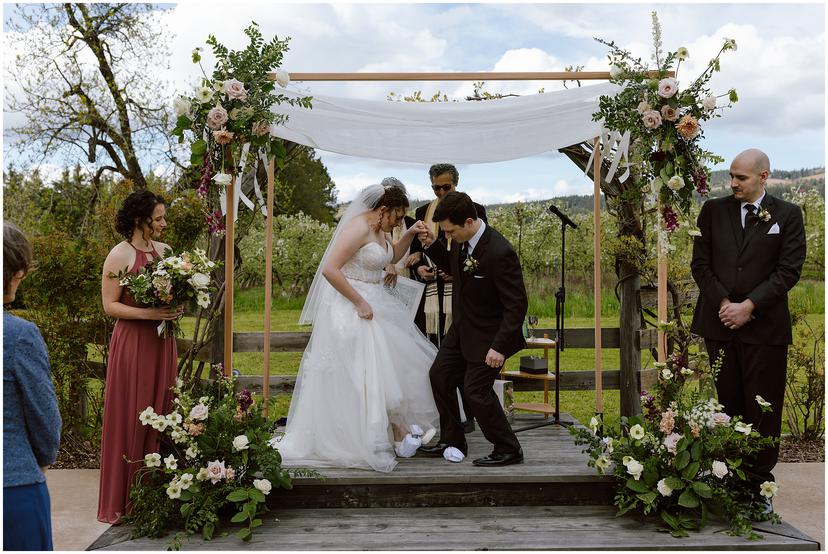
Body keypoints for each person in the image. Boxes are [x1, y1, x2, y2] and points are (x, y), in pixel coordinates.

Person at [276, 181, 439, 472]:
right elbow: (330, 269)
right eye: (396, 217)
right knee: (361, 371)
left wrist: (410, 234)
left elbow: (392, 257)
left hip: (377, 304)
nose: (398, 222)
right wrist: (359, 302)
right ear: (382, 209)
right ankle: (373, 434)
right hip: (350, 305)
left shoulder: (382, 229)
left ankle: (394, 430)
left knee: (385, 368)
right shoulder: (358, 226)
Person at [690, 148, 805, 507]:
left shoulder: (787, 215)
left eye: (741, 177)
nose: (733, 183)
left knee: (763, 408)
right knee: (728, 406)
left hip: (765, 329)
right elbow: (701, 265)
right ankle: (729, 480)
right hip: (720, 324)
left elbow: (788, 271)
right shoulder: (712, 211)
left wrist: (749, 306)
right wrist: (725, 304)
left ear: (763, 177)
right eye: (732, 176)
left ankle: (757, 489)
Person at [416, 191, 528, 466]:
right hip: (463, 327)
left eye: (451, 231)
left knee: (475, 390)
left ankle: (508, 448)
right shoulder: (460, 242)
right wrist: (433, 246)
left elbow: (517, 304)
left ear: (468, 221)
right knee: (439, 375)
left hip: (490, 335)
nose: (449, 236)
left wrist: (499, 347)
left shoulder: (500, 252)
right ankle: (452, 439)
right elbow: (456, 270)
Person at [98, 190, 182, 524]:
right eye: (158, 218)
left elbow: (174, 294)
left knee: (163, 409)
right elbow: (109, 305)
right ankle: (125, 503)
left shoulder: (167, 253)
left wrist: (178, 305)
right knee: (132, 414)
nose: (163, 224)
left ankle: (157, 499)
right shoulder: (119, 256)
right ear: (139, 220)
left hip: (163, 344)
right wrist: (151, 315)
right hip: (134, 343)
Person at [409, 163, 487, 433]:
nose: (441, 192)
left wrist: (458, 273)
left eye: (446, 187)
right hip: (431, 295)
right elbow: (415, 252)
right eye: (436, 188)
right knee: (434, 355)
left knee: (462, 356)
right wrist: (419, 268)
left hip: (459, 294)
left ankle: (467, 415)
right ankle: (440, 415)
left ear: (456, 184)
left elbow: (478, 252)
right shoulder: (421, 213)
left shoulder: (473, 209)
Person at [3, 222, 62, 550]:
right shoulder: (18, 336)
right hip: (14, 490)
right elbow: (46, 425)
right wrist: (39, 458)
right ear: (14, 273)